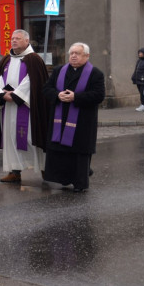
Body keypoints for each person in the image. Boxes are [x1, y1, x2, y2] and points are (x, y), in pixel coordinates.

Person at [42, 43, 106, 193]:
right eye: (71, 53)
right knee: (61, 150)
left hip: (82, 120)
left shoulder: (95, 73)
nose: (73, 56)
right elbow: (46, 89)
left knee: (79, 152)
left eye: (77, 53)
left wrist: (75, 97)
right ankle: (63, 178)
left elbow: (98, 95)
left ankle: (80, 182)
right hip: (60, 117)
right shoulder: (59, 71)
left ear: (87, 56)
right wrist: (57, 95)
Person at [0, 29, 50, 184]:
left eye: (18, 38)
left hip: (28, 107)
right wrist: (2, 95)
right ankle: (14, 171)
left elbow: (33, 82)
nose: (14, 41)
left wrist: (16, 95)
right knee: (11, 138)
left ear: (27, 41)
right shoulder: (6, 59)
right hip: (8, 109)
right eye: (12, 38)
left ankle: (44, 169)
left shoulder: (34, 60)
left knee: (31, 137)